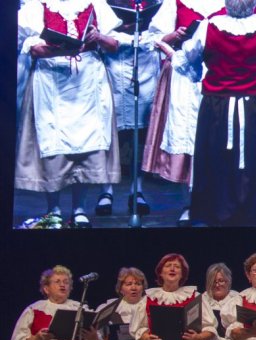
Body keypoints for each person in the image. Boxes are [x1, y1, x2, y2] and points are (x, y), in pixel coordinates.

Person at [165, 0, 256, 226]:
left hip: (219, 107)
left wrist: (172, 53)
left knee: (221, 158)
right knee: (254, 157)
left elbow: (187, 60)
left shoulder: (209, 26)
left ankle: (219, 210)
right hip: (255, 107)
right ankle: (254, 211)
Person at [16, 0, 122, 228]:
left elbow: (114, 44)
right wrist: (65, 48)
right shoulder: (38, 5)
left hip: (87, 81)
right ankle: (53, 208)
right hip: (51, 79)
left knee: (86, 146)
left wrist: (99, 37)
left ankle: (79, 208)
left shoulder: (95, 3)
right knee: (54, 146)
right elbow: (33, 47)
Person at [144, 0, 225, 226]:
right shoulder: (176, 3)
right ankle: (189, 204)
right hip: (183, 74)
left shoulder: (232, 4)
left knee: (217, 136)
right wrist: (174, 35)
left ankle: (216, 203)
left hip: (220, 73)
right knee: (185, 134)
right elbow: (152, 39)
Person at [95, 10, 161, 217]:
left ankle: (137, 189)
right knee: (109, 132)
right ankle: (106, 191)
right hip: (112, 63)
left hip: (145, 61)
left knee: (140, 134)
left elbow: (161, 27)